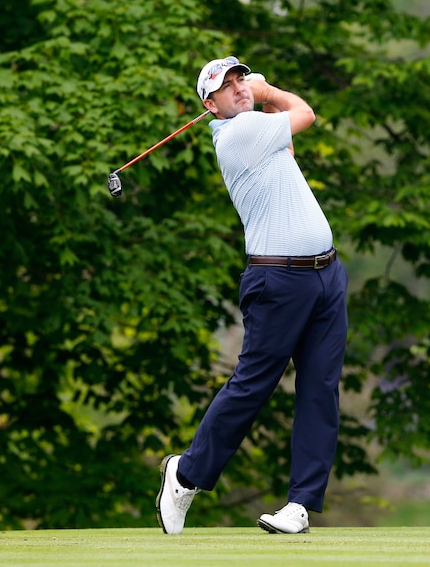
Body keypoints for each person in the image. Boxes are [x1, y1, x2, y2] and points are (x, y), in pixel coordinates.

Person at [155, 56, 349, 535]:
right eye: (228, 85)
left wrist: (258, 98)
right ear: (210, 105)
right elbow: (305, 112)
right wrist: (268, 89)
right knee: (253, 385)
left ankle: (300, 505)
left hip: (326, 274)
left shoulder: (260, 131)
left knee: (320, 388)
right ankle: (185, 475)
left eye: (242, 78)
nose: (240, 87)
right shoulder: (240, 133)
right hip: (278, 282)